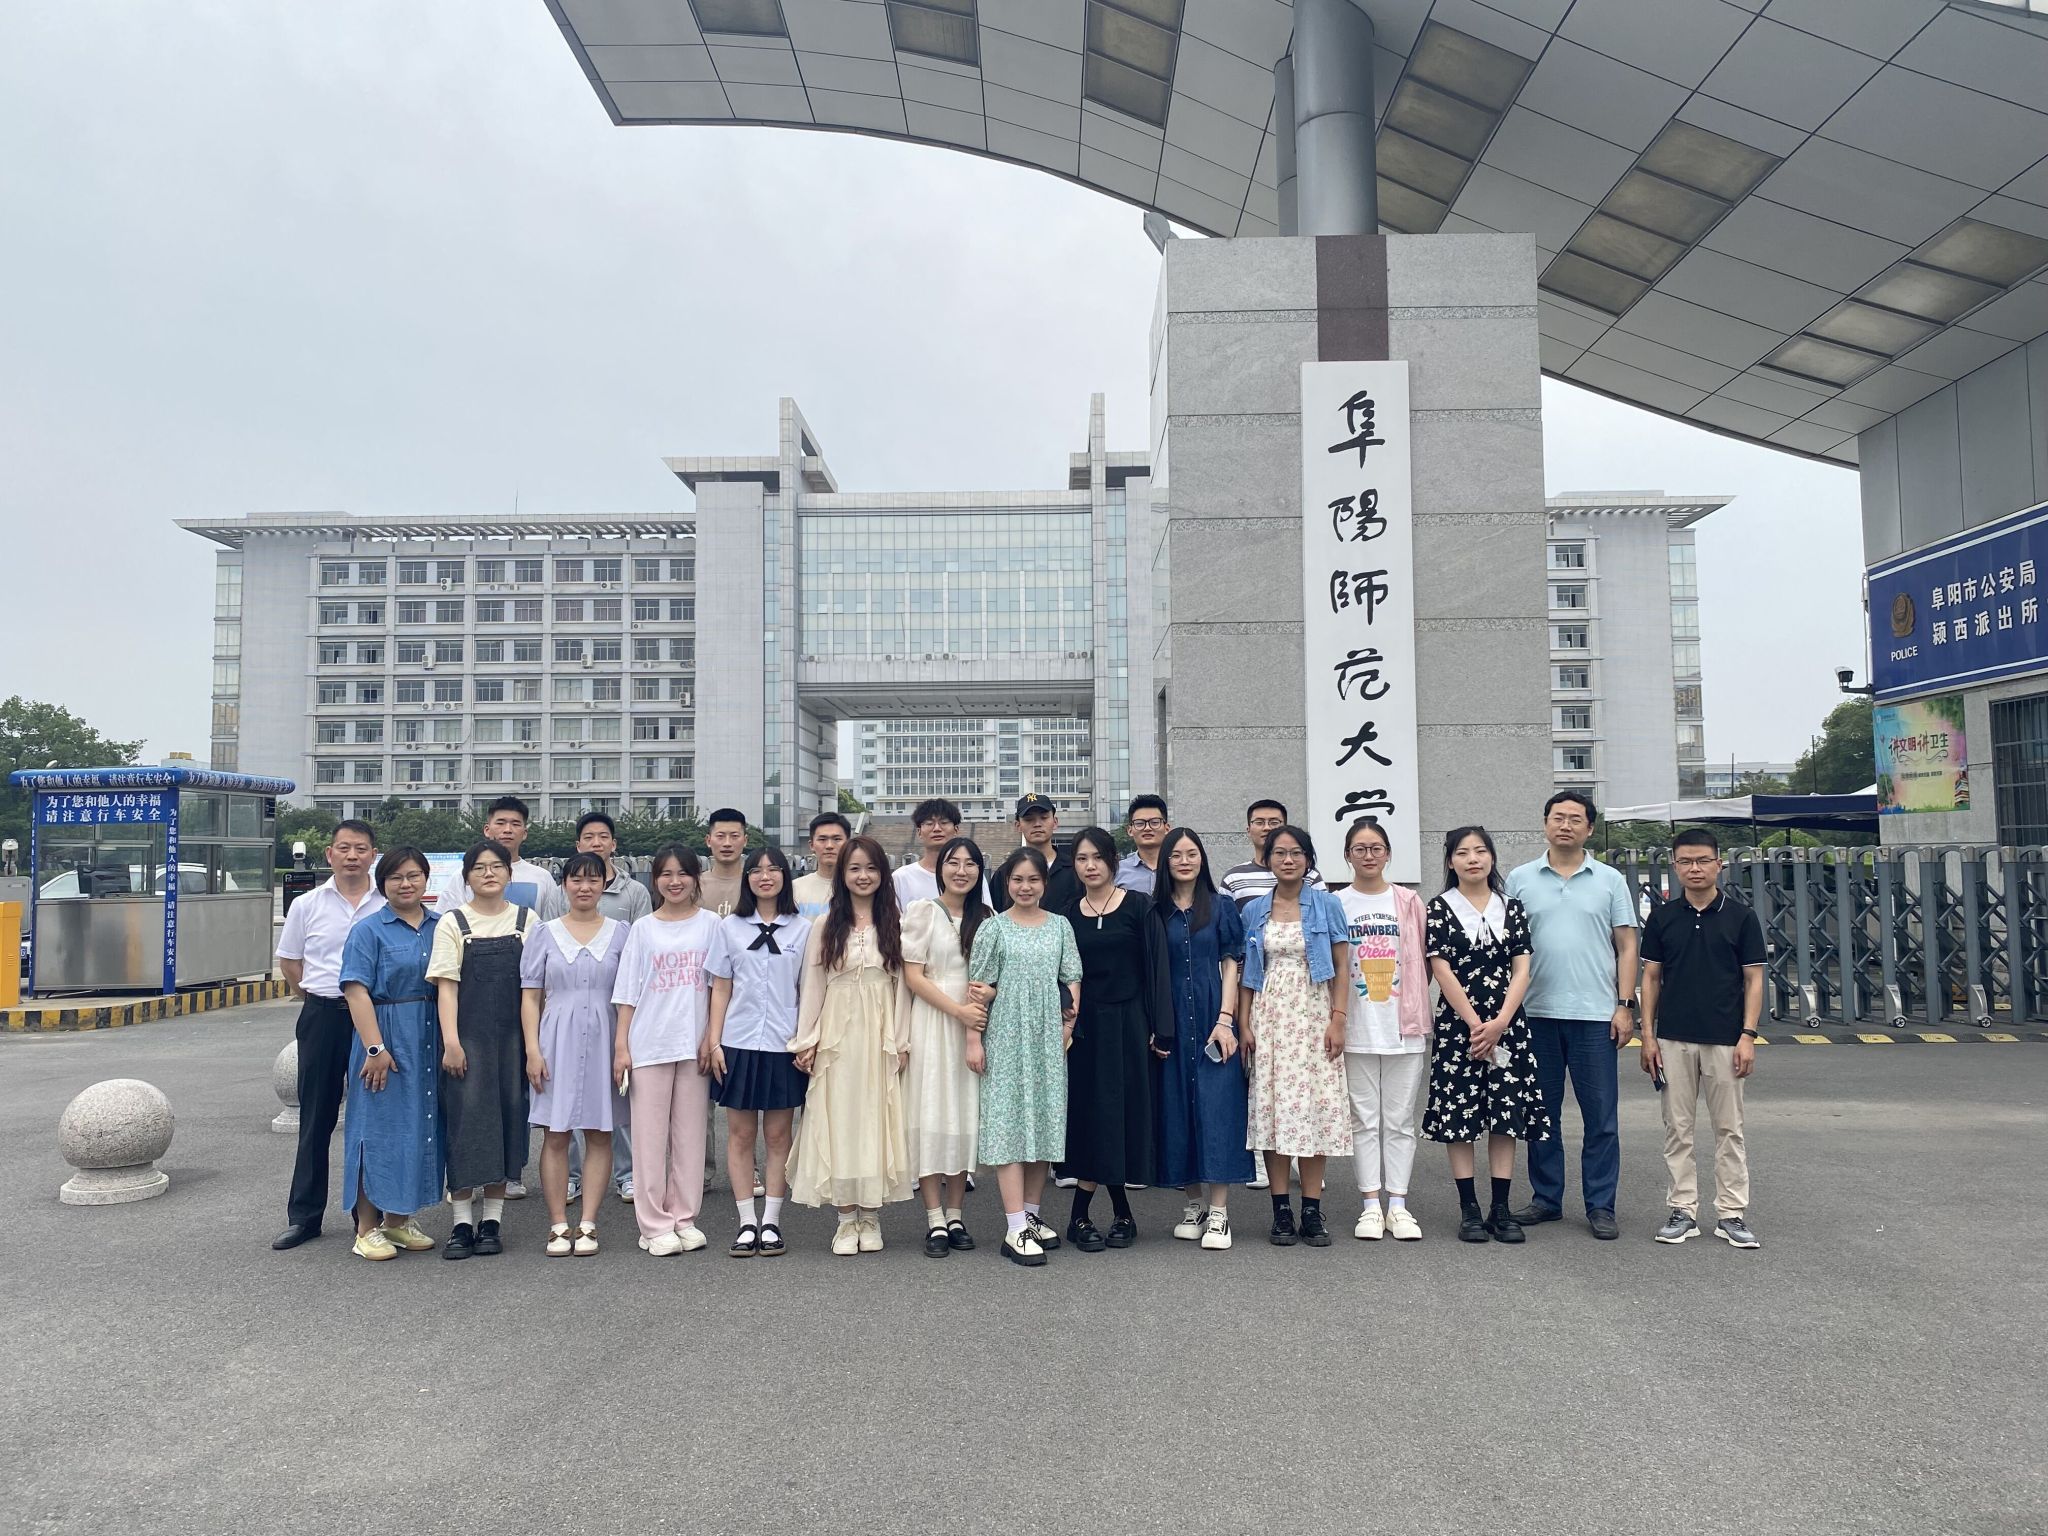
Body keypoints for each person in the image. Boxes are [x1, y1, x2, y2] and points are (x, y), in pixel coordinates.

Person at [1507, 790, 1640, 1240]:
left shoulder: (1609, 880)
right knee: (1541, 1113)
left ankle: (1601, 1205)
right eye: (1557, 817)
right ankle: (1546, 1199)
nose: (1565, 825)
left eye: (1575, 819)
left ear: (1589, 828)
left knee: (1600, 1117)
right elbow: (1508, 946)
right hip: (1535, 1014)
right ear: (1545, 823)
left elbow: (1627, 946)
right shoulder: (1520, 879)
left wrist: (1624, 1005)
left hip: (1595, 1015)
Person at [787, 835, 914, 1253]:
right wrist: (807, 1040)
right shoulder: (825, 925)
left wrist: (901, 1040)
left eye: (871, 868)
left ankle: (871, 1215)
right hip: (836, 1036)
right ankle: (845, 1220)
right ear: (842, 875)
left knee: (876, 1118)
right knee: (837, 1118)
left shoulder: (898, 923)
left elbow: (903, 989)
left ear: (883, 874)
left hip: (880, 1034)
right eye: (854, 868)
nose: (863, 876)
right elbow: (813, 985)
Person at [1640, 829, 1765, 1250]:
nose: (1695, 869)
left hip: (1726, 1038)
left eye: (1703, 860)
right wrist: (1648, 1036)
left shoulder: (1741, 917)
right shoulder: (1662, 918)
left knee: (1729, 1129)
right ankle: (1683, 1210)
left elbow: (1753, 979)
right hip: (1673, 1039)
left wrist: (1748, 1035)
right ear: (1675, 867)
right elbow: (1651, 978)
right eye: (1686, 862)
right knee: (1677, 1128)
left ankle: (1731, 1213)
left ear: (1718, 864)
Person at [1424, 827, 1549, 1245]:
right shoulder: (1439, 907)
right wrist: (1477, 1023)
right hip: (1458, 1026)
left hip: (1508, 1026)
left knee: (1504, 1114)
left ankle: (1500, 1208)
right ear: (1450, 861)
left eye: (1480, 851)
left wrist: (1499, 1023)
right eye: (1463, 853)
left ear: (1492, 858)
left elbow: (1522, 969)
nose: (1473, 859)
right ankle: (1469, 1209)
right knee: (1459, 1116)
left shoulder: (1512, 907)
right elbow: (1441, 969)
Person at [272, 819, 384, 1250]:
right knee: (316, 1117)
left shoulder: (385, 902)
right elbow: (290, 963)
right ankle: (304, 1217)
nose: (352, 856)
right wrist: (319, 999)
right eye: (344, 848)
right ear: (329, 854)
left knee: (372, 1116)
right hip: (323, 1015)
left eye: (361, 848)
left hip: (374, 1018)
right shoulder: (307, 904)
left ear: (373, 854)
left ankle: (369, 1215)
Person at [1059, 826, 1172, 1251]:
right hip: (1084, 1028)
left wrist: (1160, 1027)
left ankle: (1101, 1213)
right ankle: (1105, 1214)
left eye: (1097, 857)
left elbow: (1156, 968)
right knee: (1090, 1115)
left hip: (1130, 1024)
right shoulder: (1066, 915)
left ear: (1112, 860)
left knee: (1123, 1115)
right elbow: (1059, 973)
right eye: (1081, 859)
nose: (1090, 866)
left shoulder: (1139, 906)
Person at [970, 846, 1083, 1267]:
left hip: (1048, 1038)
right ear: (1006, 883)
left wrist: (1068, 1026)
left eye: (1033, 879)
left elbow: (1071, 977)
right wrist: (973, 1039)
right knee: (1009, 1128)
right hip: (1005, 1037)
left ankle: (1032, 1216)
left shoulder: (1060, 926)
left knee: (1044, 1126)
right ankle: (1014, 1226)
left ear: (1044, 883)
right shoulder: (993, 928)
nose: (1025, 887)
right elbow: (977, 989)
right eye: (1017, 879)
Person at [1241, 825, 1352, 1248]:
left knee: (1315, 1108)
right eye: (1280, 853)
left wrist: (1338, 1019)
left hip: (1314, 1013)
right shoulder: (1254, 909)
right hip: (1270, 1016)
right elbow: (1248, 973)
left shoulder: (1327, 905)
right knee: (1274, 1109)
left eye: (1296, 853)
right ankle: (1281, 1210)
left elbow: (1342, 967)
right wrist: (1244, 1023)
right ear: (1268, 859)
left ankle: (1311, 1209)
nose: (1288, 860)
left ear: (1308, 859)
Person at [612, 845, 727, 1256]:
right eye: (666, 874)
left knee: (690, 1138)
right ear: (655, 879)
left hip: (693, 1046)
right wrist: (621, 1047)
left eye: (683, 873)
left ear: (696, 878)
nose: (674, 881)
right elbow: (627, 992)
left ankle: (684, 1217)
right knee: (649, 1139)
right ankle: (653, 1224)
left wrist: (711, 1037)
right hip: (649, 1044)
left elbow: (718, 987)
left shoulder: (712, 925)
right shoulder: (643, 928)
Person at [428, 840, 538, 1260]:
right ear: (466, 877)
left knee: (508, 1122)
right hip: (467, 1042)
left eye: (496, 866)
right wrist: (451, 1043)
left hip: (514, 1042)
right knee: (465, 1124)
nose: (489, 873)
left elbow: (535, 991)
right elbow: (446, 989)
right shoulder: (453, 922)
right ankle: (460, 1223)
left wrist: (533, 1048)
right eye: (479, 867)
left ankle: (492, 1221)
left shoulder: (528, 920)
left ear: (509, 873)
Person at [703, 847, 812, 1258]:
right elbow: (721, 987)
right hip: (739, 1042)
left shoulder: (803, 929)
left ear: (785, 876)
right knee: (741, 1134)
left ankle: (772, 1222)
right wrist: (714, 1041)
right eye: (757, 870)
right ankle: (746, 1221)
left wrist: (808, 1039)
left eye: (773, 869)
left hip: (784, 1044)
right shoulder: (729, 927)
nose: (765, 876)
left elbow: (808, 990)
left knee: (779, 1135)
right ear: (747, 878)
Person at [335, 845, 442, 1261]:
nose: (406, 883)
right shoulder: (368, 930)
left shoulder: (441, 926)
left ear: (426, 879)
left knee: (417, 1124)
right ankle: (366, 1228)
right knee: (375, 1130)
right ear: (383, 884)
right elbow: (355, 990)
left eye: (414, 875)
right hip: (384, 1035)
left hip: (428, 1036)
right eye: (396, 877)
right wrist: (375, 1047)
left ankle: (398, 1221)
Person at [520, 852, 625, 1257]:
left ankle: (589, 1223)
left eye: (593, 879)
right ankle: (558, 1224)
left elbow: (629, 995)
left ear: (604, 885)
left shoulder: (621, 933)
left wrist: (624, 1048)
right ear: (564, 885)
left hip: (605, 1038)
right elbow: (530, 997)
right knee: (556, 1134)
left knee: (600, 1133)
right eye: (576, 879)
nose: (584, 887)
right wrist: (532, 1050)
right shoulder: (544, 933)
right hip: (556, 1040)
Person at [1151, 827, 1250, 1251]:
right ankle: (1193, 1205)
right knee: (1176, 1109)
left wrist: (1225, 1020)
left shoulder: (1222, 906)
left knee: (1218, 1108)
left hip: (1213, 1013)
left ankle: (1220, 1212)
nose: (1185, 861)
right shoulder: (1155, 911)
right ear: (1166, 862)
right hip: (1171, 1017)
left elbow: (1231, 964)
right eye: (1176, 855)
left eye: (1192, 853)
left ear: (1202, 859)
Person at [1335, 816, 1432, 1242]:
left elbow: (1425, 961)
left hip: (1402, 1025)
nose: (1369, 855)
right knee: (1363, 1119)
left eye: (1376, 848)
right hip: (1356, 1026)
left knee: (1400, 1120)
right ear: (1347, 855)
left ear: (1388, 854)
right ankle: (1370, 1205)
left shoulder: (1409, 902)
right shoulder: (1336, 903)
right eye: (1360, 848)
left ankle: (1399, 1204)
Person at [899, 837, 992, 1257]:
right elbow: (913, 976)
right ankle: (934, 1218)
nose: (961, 871)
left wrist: (979, 1007)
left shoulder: (988, 917)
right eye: (954, 863)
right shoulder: (923, 911)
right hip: (934, 1023)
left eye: (970, 864)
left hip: (974, 1025)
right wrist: (959, 1011)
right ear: (942, 869)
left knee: (963, 1116)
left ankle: (956, 1215)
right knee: (931, 1113)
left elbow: (993, 975)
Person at [566, 810, 646, 1206]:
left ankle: (627, 1174)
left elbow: (643, 947)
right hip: (570, 1006)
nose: (596, 842)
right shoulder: (564, 888)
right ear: (578, 844)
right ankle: (571, 1176)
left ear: (613, 844)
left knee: (619, 1092)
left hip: (618, 1007)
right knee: (568, 1095)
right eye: (588, 837)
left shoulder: (634, 893)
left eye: (603, 836)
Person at [430, 796, 564, 919]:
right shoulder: (464, 875)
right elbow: (446, 920)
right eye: (500, 823)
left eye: (515, 824)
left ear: (524, 833)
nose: (507, 830)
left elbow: (551, 925)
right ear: (487, 830)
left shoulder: (543, 878)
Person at [1219, 799, 1327, 909]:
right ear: (1248, 830)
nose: (1267, 828)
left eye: (1274, 822)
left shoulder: (1308, 874)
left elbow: (1323, 911)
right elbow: (1224, 918)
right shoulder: (1232, 878)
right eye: (1259, 822)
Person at [892, 797, 991, 907]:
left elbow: (985, 913)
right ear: (919, 832)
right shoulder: (901, 877)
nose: (937, 829)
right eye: (929, 823)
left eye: (944, 822)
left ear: (956, 829)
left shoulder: (969, 875)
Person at [993, 793, 1080, 913]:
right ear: (1018, 825)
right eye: (1029, 819)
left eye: (1044, 818)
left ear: (1055, 822)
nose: (1037, 824)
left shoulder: (1075, 870)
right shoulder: (1004, 873)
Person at [793, 811, 851, 919]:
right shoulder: (794, 888)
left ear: (848, 843)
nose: (829, 846)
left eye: (837, 839)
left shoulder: (858, 886)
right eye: (822, 839)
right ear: (811, 845)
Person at [699, 808, 750, 917]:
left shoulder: (755, 883)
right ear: (708, 840)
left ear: (745, 840)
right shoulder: (694, 885)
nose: (727, 843)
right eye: (720, 836)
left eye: (734, 836)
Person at [1115, 794, 1170, 894]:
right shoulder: (1117, 871)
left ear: (1166, 828)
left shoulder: (1177, 867)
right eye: (1140, 823)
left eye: (1154, 822)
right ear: (1130, 830)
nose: (1147, 828)